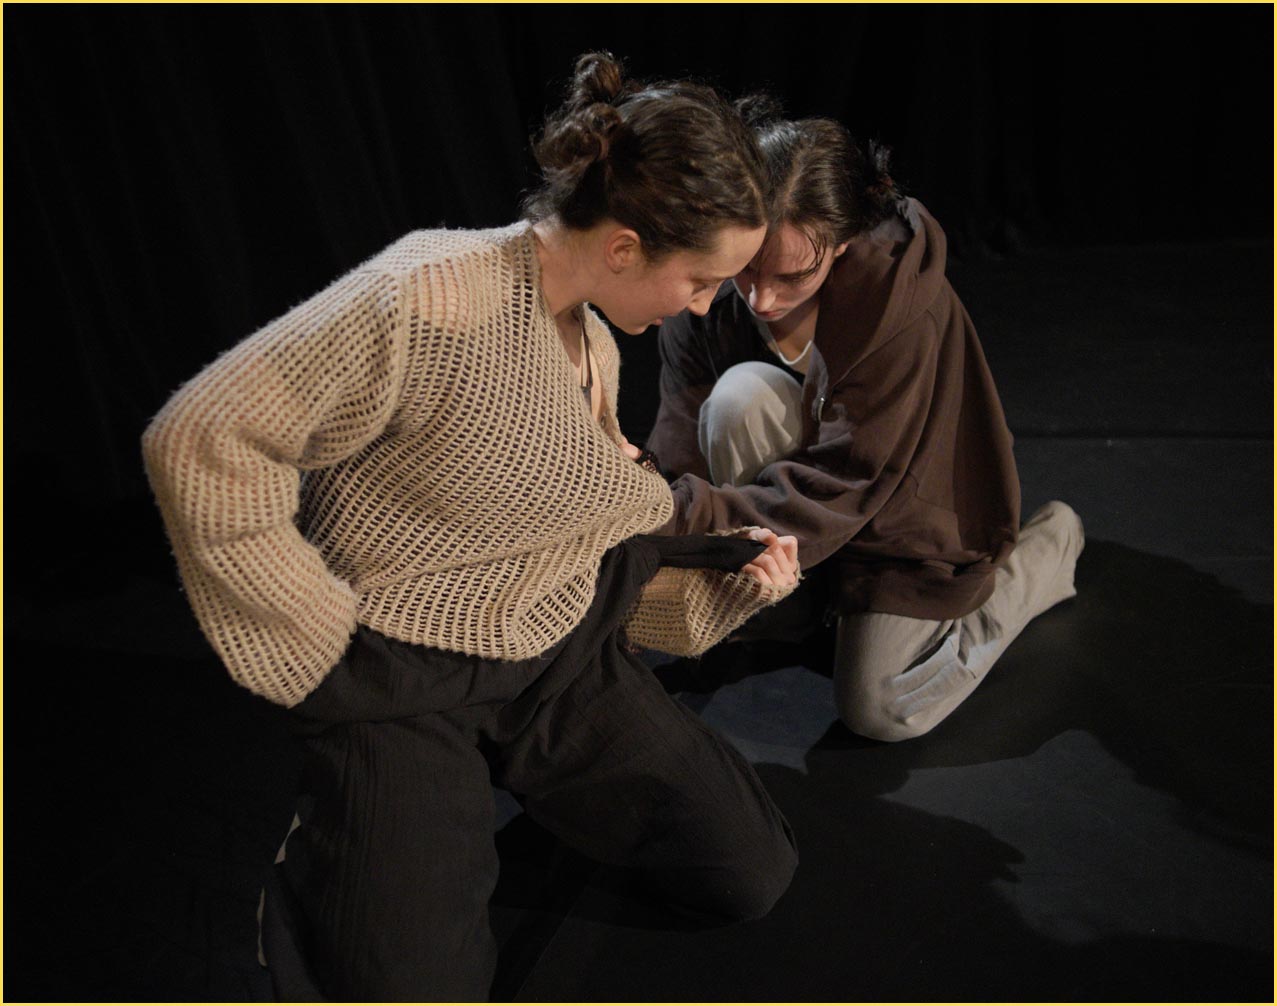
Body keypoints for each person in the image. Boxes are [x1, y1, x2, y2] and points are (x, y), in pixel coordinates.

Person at [142, 53, 801, 1001]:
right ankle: (327, 856)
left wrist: (722, 582)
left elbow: (553, 525)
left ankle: (521, 779)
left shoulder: (592, 333)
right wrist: (311, 641)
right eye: (701, 280)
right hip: (404, 675)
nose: (704, 306)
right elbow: (202, 437)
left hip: (550, 650)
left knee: (748, 871)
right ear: (624, 248)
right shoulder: (432, 295)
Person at [647, 114, 1084, 743]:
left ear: (844, 243)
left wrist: (681, 516)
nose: (761, 299)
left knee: (882, 707)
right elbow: (681, 430)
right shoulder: (712, 284)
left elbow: (850, 478)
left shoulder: (898, 310)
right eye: (749, 269)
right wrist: (658, 535)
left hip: (903, 507)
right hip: (807, 502)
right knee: (739, 395)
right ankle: (796, 597)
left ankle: (1044, 555)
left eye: (792, 276)